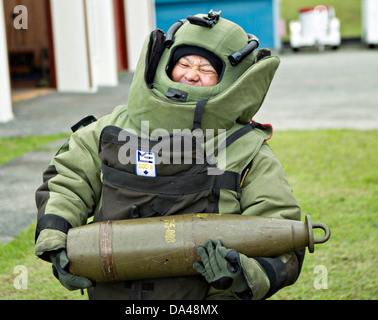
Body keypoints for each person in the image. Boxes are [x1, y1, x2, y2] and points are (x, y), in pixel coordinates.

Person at [34, 11, 305, 300]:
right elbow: (67, 182)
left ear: (232, 81)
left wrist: (242, 273)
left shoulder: (245, 148)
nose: (191, 74)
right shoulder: (107, 130)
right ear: (164, 64)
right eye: (184, 63)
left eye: (207, 70)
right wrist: (55, 239)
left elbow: (280, 227)